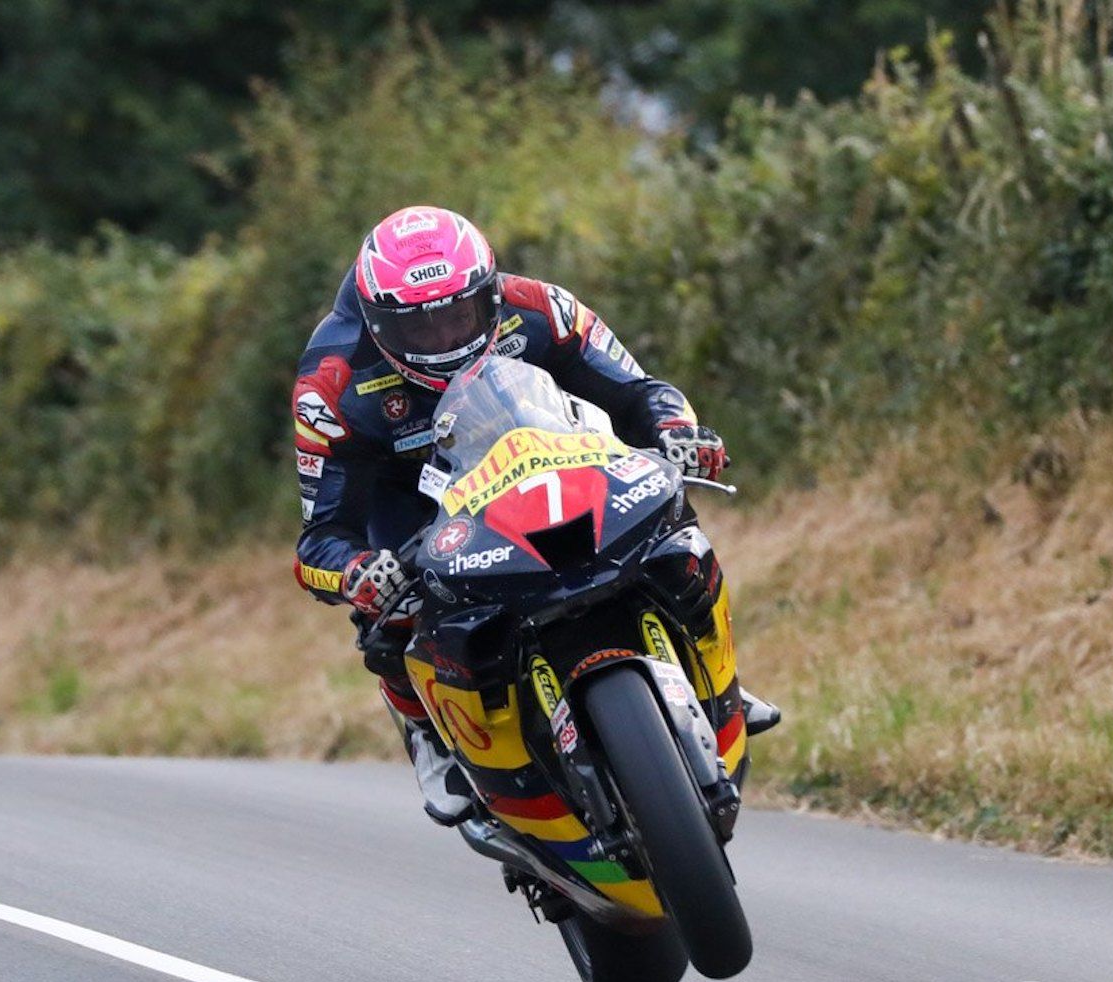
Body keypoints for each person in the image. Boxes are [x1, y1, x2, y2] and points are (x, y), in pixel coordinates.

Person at [291, 204, 777, 824]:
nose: (444, 340)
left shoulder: (542, 308)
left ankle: (714, 672)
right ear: (379, 323)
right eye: (421, 330)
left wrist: (678, 432)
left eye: (457, 315)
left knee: (666, 509)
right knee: (392, 607)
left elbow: (638, 392)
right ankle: (427, 732)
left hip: (547, 450)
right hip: (411, 496)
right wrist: (358, 571)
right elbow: (321, 537)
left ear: (488, 293)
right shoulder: (330, 386)